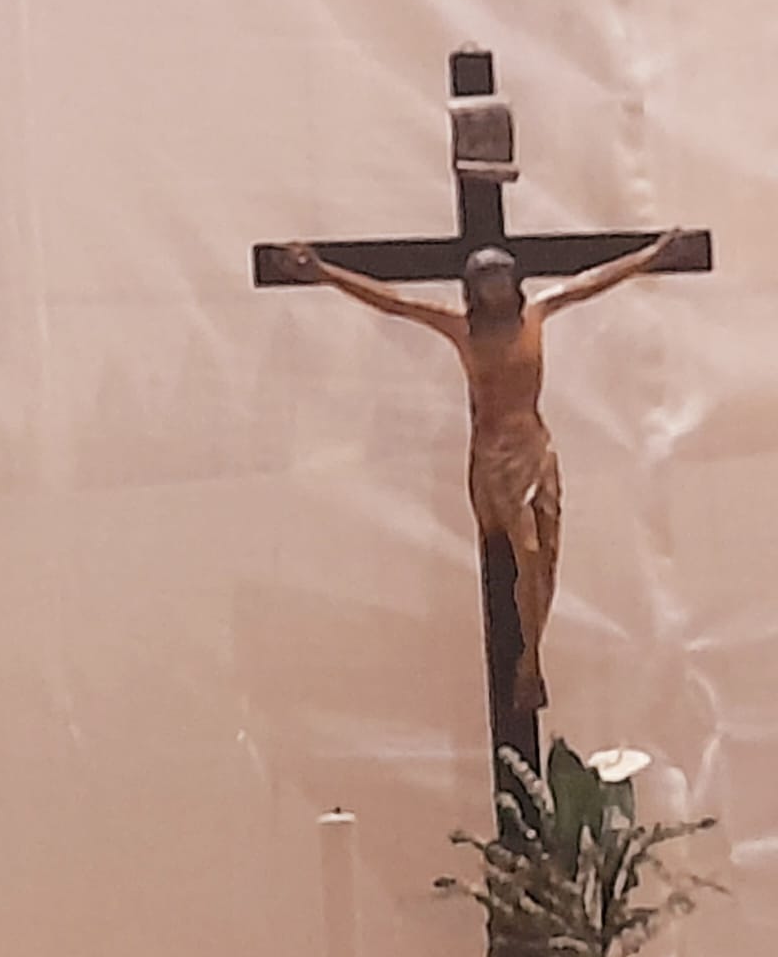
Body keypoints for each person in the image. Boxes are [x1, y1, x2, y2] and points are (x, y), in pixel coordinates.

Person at [280, 229, 682, 712]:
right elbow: (394, 302)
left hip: (536, 447)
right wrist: (324, 272)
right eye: (486, 279)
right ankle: (528, 664)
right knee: (526, 552)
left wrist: (650, 256)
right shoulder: (462, 330)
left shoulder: (536, 315)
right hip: (496, 457)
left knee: (546, 557)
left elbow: (590, 282)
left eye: (501, 276)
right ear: (473, 288)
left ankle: (532, 655)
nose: (495, 286)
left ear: (514, 281)